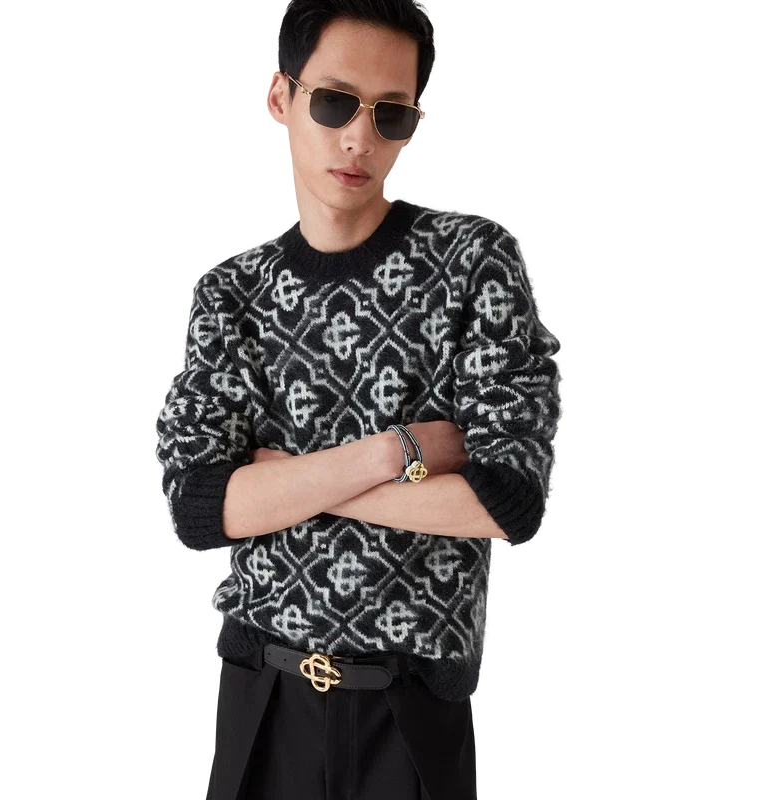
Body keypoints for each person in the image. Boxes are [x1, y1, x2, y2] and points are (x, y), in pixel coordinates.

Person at [154, 1, 562, 798]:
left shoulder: (472, 263)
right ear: (280, 96)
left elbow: (505, 502)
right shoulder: (232, 292)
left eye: (391, 114)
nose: (359, 139)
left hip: (415, 711)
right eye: (336, 102)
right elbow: (202, 508)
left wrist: (288, 484)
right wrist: (394, 454)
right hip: (263, 699)